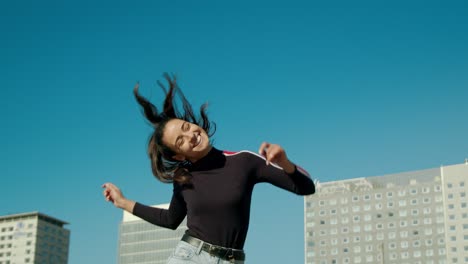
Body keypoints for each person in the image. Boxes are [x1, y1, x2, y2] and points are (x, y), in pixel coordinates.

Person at [102, 73, 316, 264]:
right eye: (180, 141)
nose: (191, 136)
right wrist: (122, 202)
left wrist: (284, 162)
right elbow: (170, 219)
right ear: (179, 155)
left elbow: (306, 188)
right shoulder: (183, 177)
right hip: (190, 257)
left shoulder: (244, 161)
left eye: (187, 127)